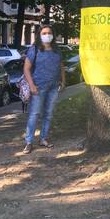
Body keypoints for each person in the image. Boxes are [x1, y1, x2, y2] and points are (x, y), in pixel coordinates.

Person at [23, 25, 65, 154]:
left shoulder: (57, 50)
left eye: (49, 33)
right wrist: (32, 86)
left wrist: (63, 81)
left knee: (48, 114)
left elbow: (61, 66)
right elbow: (26, 69)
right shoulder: (34, 50)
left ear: (53, 35)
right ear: (40, 35)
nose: (47, 35)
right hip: (38, 87)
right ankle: (29, 142)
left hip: (53, 87)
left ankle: (43, 138)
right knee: (34, 114)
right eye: (44, 33)